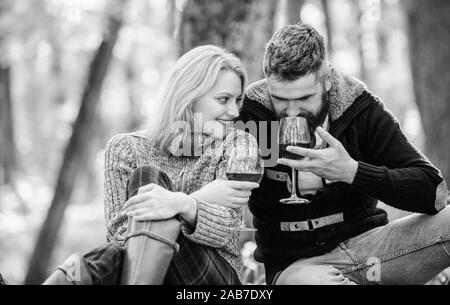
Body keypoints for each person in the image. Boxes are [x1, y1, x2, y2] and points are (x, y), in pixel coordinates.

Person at [238, 23, 450, 285]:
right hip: (296, 268)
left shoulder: (359, 109)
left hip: (371, 249)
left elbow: (435, 193)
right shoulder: (254, 115)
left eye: (304, 98)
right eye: (280, 99)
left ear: (327, 80)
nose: (291, 112)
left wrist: (352, 172)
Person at [42, 45, 260, 285]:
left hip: (212, 275)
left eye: (237, 100)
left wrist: (177, 202)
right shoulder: (125, 148)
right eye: (223, 99)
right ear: (188, 96)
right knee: (147, 177)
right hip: (144, 271)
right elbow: (122, 236)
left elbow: (225, 231)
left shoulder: (239, 143)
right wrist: (193, 202)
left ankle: (74, 276)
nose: (234, 111)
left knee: (108, 258)